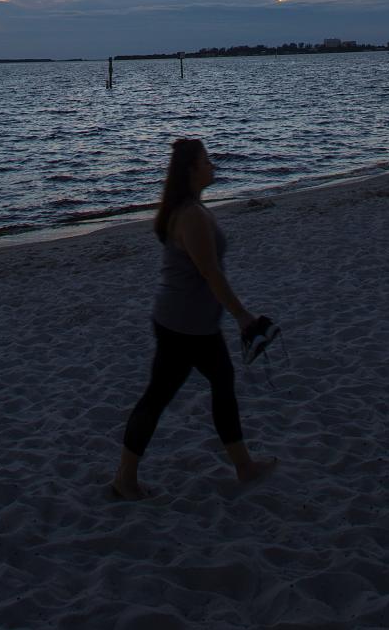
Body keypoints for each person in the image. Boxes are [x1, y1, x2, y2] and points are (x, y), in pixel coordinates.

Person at [111, 137, 277, 500]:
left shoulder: (192, 209)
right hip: (183, 326)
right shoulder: (191, 216)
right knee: (159, 396)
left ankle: (243, 465)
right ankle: (125, 479)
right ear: (191, 170)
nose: (212, 165)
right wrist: (243, 317)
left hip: (192, 323)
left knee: (219, 384)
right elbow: (211, 274)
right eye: (206, 161)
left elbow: (209, 273)